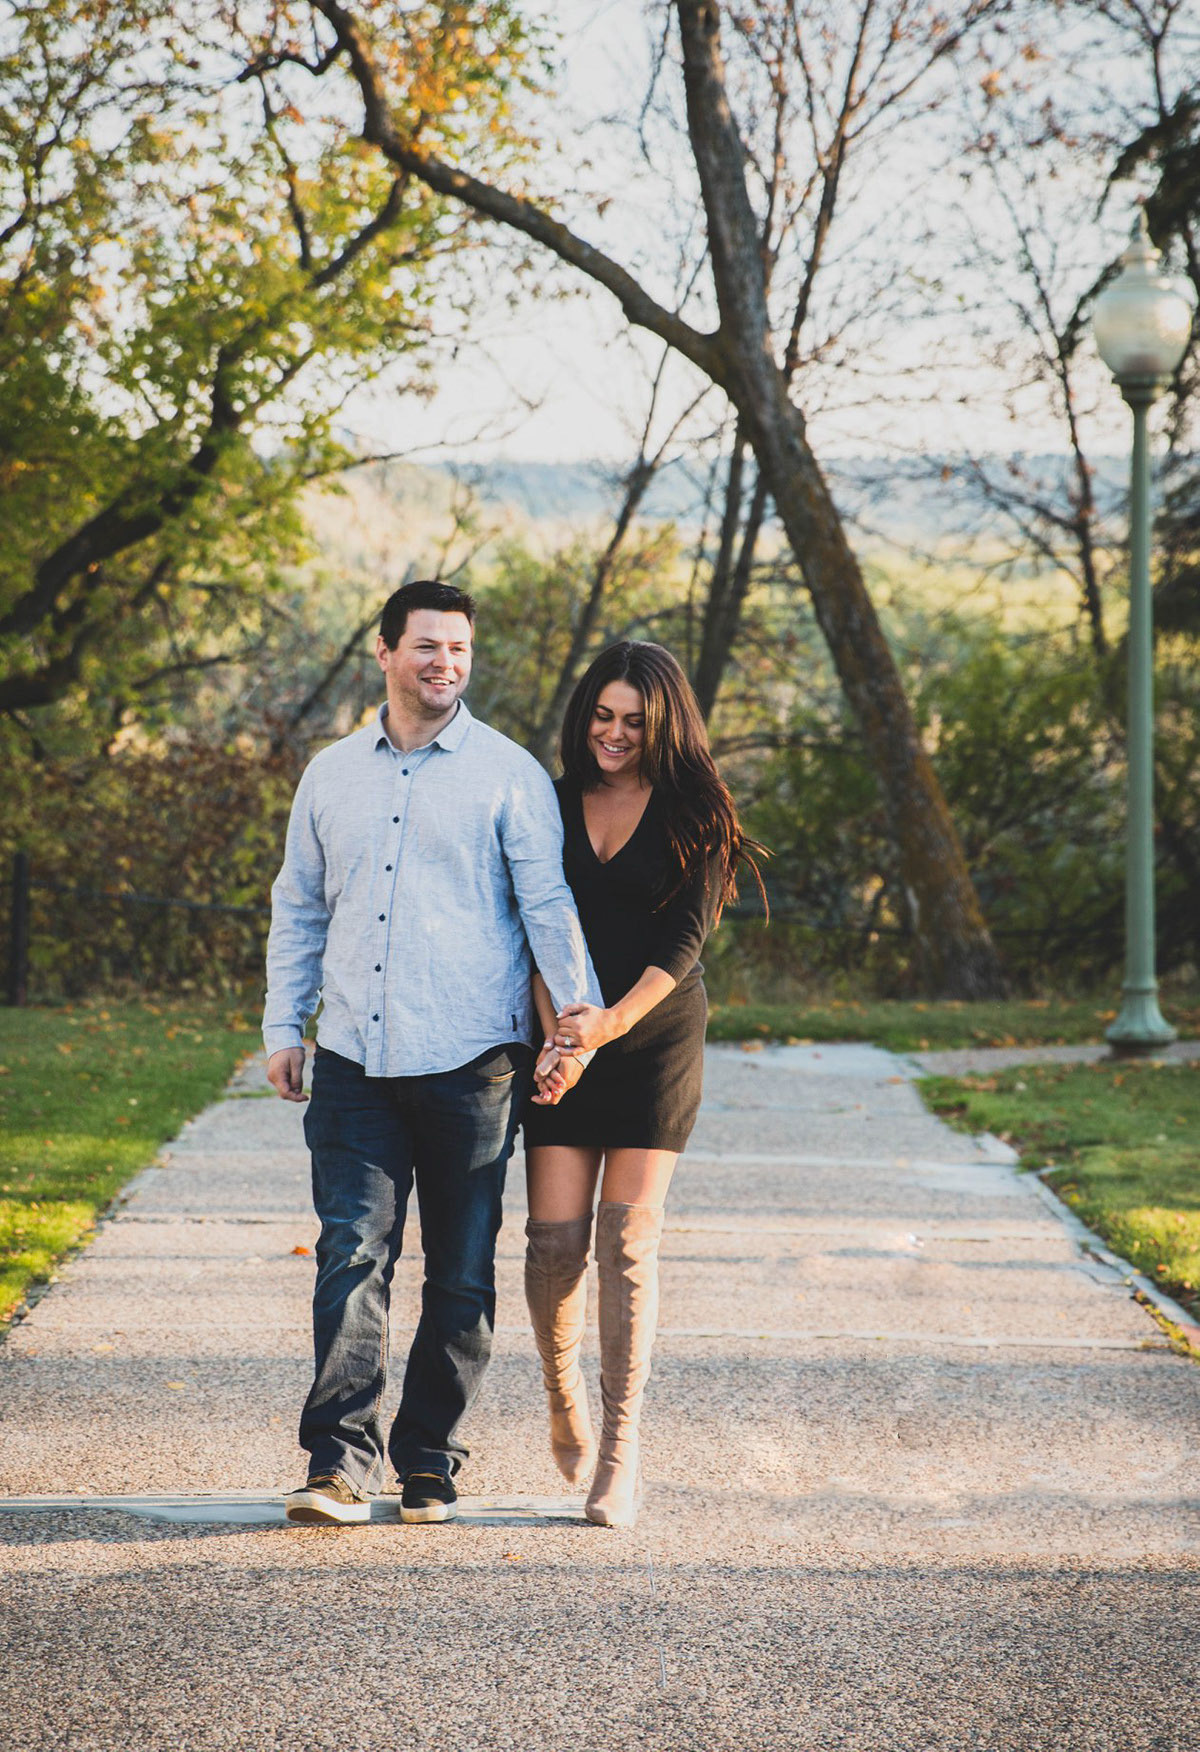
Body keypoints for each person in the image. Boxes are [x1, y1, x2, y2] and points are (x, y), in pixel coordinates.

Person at [263, 579, 601, 1527]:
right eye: (425, 646)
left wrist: (575, 1023)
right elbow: (299, 905)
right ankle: (337, 1462)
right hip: (356, 1061)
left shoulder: (509, 774)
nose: (443, 662)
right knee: (350, 1253)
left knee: (460, 1270)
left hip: (472, 1061)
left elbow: (547, 907)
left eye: (457, 648)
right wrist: (284, 1026)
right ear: (384, 651)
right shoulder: (331, 774)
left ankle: (428, 1459)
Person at [522, 641, 763, 1528]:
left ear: (662, 725)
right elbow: (532, 926)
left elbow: (681, 949)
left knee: (625, 1246)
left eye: (633, 721)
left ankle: (620, 1454)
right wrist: (558, 1034)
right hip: (560, 1035)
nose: (614, 735)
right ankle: (560, 1392)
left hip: (653, 1038)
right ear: (583, 714)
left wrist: (608, 1028)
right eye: (602, 716)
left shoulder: (697, 811)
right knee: (552, 1248)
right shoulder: (546, 805)